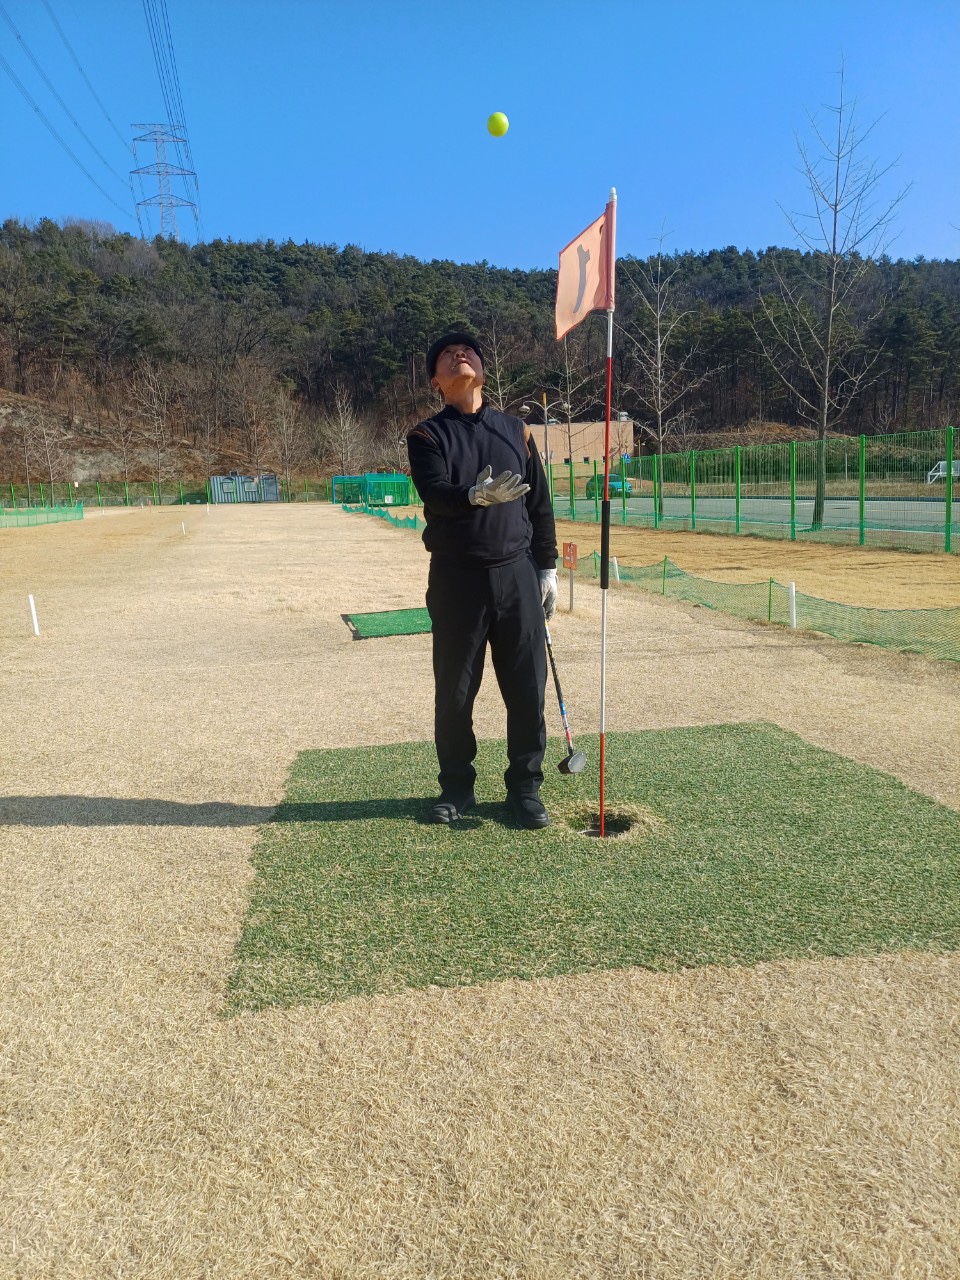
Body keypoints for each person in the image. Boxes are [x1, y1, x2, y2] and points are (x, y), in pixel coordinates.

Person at [406, 332, 558, 829]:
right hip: (457, 579)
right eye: (448, 355)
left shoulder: (517, 430)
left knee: (527, 688)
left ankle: (525, 788)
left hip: (516, 574)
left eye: (468, 351)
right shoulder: (427, 436)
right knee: (455, 692)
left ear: (483, 371)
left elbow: (538, 504)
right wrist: (473, 495)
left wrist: (547, 567)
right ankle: (457, 787)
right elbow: (435, 492)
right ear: (436, 381)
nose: (460, 355)